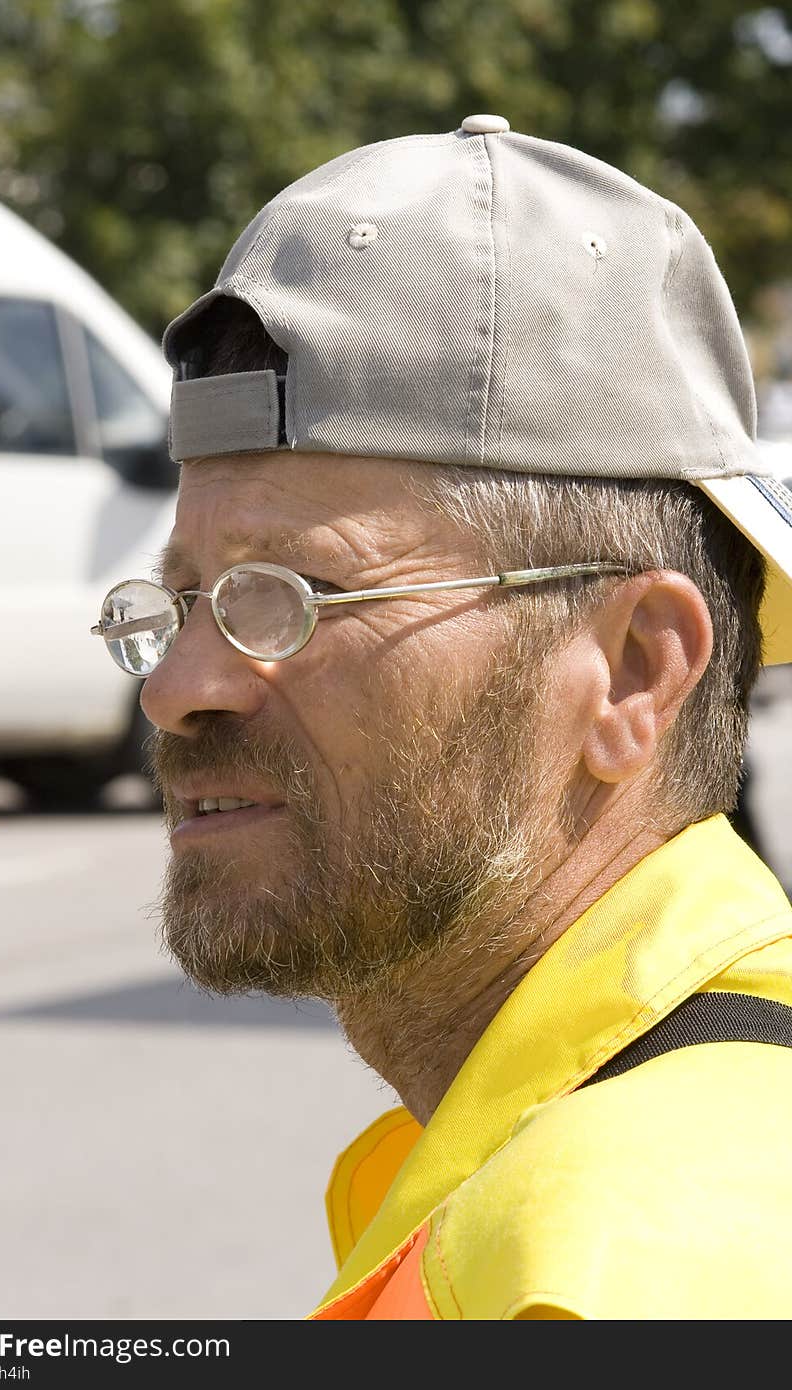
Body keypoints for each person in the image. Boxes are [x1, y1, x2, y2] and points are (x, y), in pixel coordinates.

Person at [90, 115, 792, 1318]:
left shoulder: (609, 1258)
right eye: (187, 598)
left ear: (633, 671)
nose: (174, 685)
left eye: (293, 596)